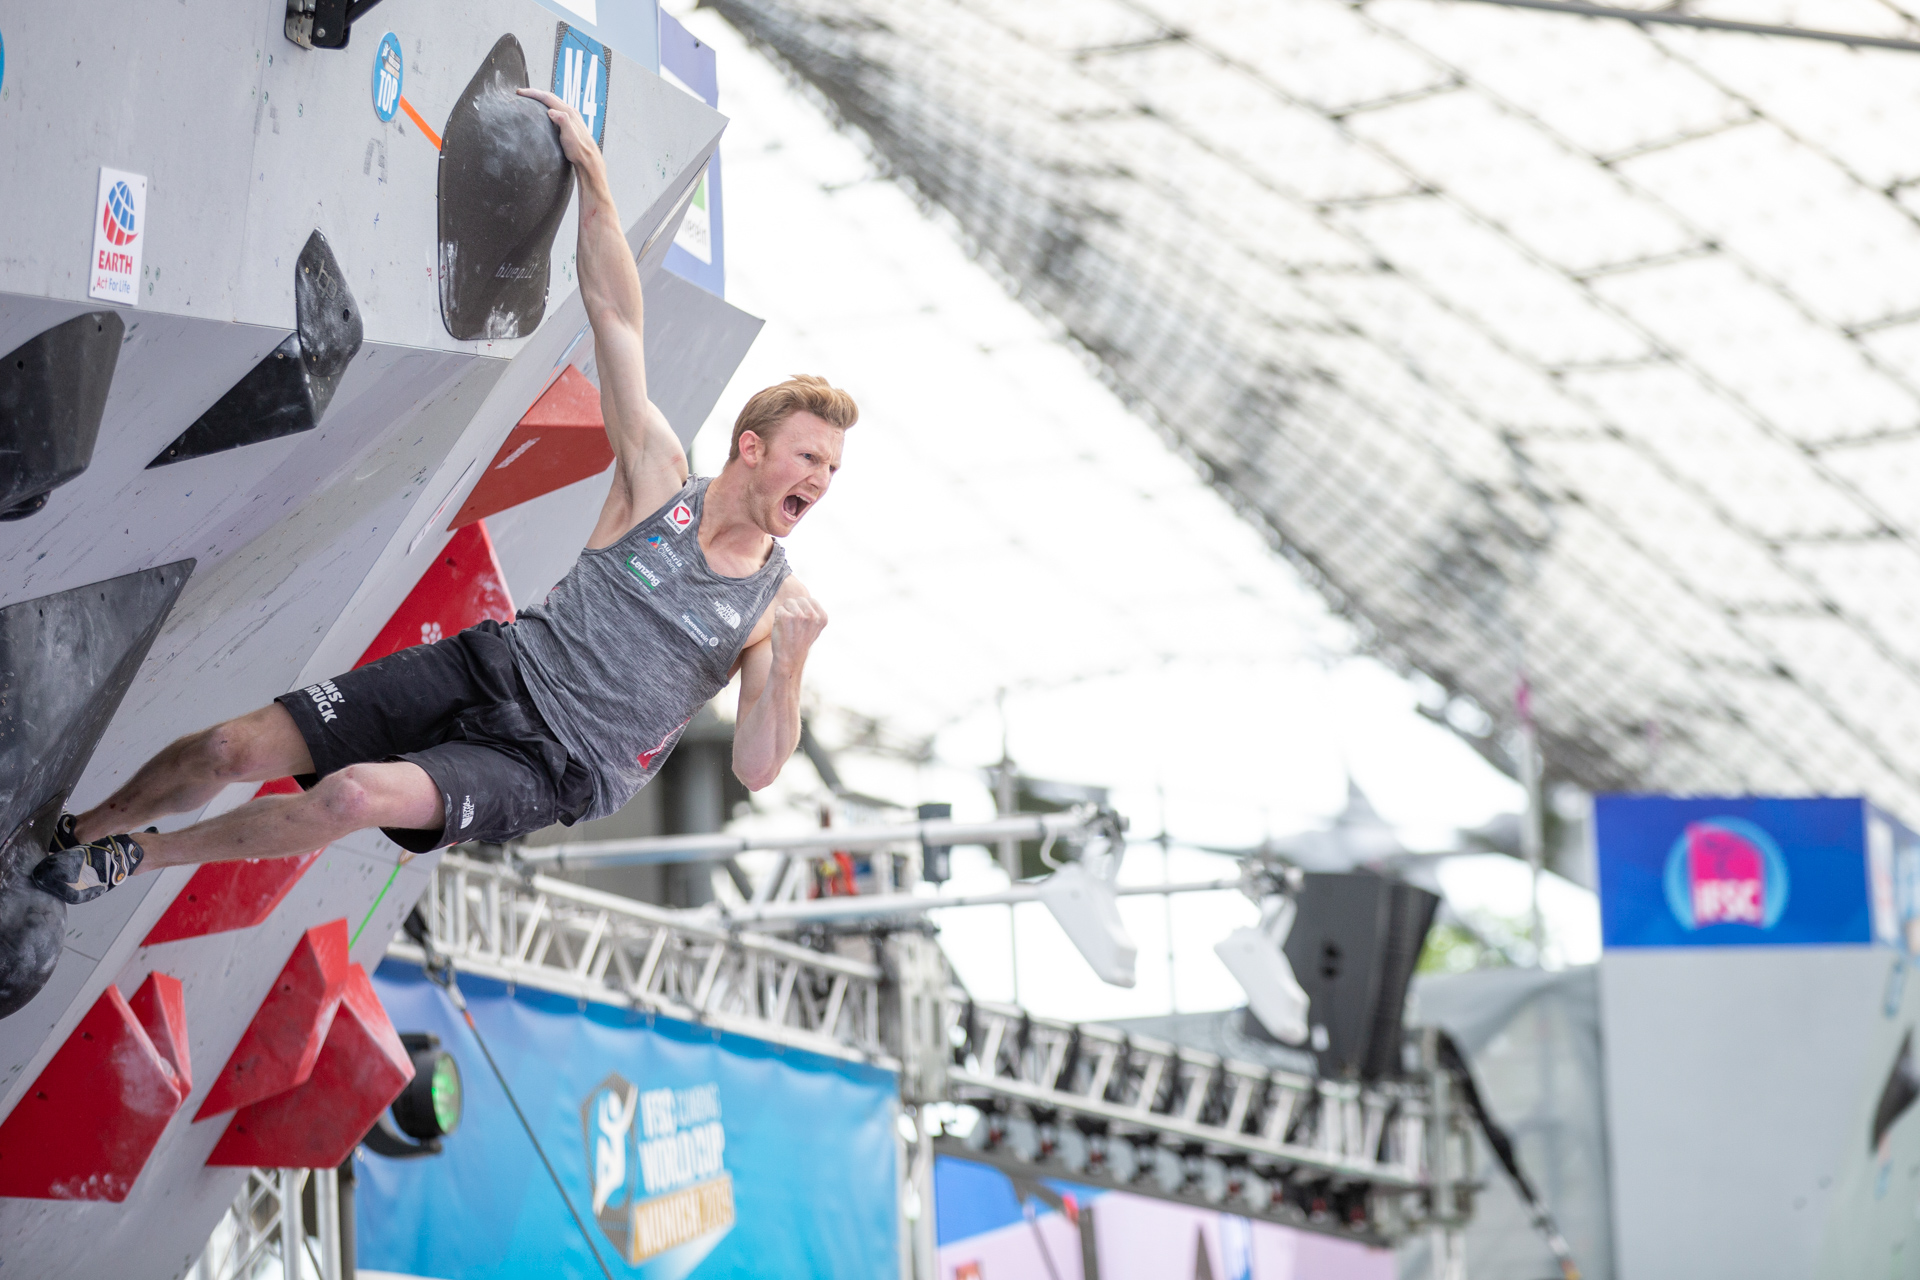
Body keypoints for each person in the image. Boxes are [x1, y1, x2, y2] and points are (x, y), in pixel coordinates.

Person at [31, 89, 853, 906]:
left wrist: (790, 669)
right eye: (809, 457)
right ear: (752, 448)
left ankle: (136, 858)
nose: (818, 481)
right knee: (224, 749)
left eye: (832, 471)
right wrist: (594, 178)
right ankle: (79, 830)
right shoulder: (660, 481)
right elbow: (617, 316)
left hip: (551, 765)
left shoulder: (774, 607)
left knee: (351, 796)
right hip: (494, 663)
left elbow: (756, 766)